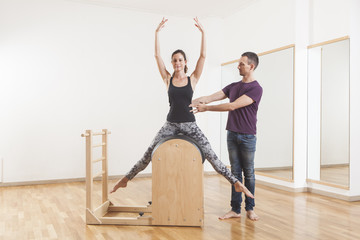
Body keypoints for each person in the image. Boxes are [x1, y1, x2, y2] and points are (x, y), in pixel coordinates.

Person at [110, 17, 254, 199]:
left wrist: (203, 34)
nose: (177, 63)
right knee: (148, 154)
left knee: (211, 155)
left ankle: (236, 183)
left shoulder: (192, 79)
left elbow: (203, 57)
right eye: (174, 61)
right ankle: (125, 179)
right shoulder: (167, 79)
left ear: (185, 62)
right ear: (172, 64)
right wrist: (156, 33)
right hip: (170, 124)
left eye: (180, 60)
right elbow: (157, 56)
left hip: (189, 125)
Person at [190, 52, 263, 221]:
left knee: (249, 173)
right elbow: (209, 98)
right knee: (235, 173)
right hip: (232, 134)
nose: (238, 66)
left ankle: (250, 209)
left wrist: (207, 109)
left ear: (251, 66)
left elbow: (232, 106)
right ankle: (235, 209)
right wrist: (189, 101)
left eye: (241, 64)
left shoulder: (256, 89)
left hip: (248, 136)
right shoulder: (233, 86)